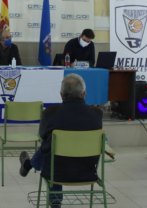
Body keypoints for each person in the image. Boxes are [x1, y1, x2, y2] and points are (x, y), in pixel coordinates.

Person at [19, 74, 103, 207]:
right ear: (84, 94)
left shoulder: (50, 113)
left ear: (61, 95)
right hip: (87, 171)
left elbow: (42, 136)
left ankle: (54, 201)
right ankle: (27, 165)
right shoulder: (97, 114)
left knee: (51, 147)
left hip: (56, 172)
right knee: (56, 147)